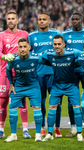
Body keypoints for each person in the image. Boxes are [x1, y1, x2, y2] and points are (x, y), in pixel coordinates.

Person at [40, 35, 83, 141]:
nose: (57, 46)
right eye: (55, 44)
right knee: (52, 109)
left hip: (71, 85)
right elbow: (37, 58)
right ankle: (50, 134)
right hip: (56, 86)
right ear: (52, 45)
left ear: (64, 44)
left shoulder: (73, 52)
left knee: (76, 108)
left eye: (59, 44)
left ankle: (79, 133)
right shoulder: (49, 54)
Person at [28, 12, 62, 138]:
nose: (41, 21)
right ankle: (42, 128)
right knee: (40, 102)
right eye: (39, 19)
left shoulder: (56, 34)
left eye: (44, 19)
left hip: (54, 73)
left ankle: (57, 128)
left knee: (56, 102)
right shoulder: (31, 36)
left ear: (49, 22)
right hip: (38, 74)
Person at [4, 38, 42, 142]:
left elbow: (48, 61)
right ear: (18, 48)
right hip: (18, 87)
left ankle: (38, 135)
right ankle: (13, 135)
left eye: (25, 47)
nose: (23, 49)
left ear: (29, 48)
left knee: (37, 109)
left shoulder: (36, 57)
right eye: (20, 47)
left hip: (33, 87)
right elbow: (8, 70)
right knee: (12, 109)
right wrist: (11, 84)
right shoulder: (13, 59)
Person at [0, 10, 30, 139]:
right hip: (4, 73)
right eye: (9, 19)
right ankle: (1, 129)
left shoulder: (24, 34)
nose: (11, 20)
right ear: (6, 21)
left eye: (13, 18)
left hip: (21, 74)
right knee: (2, 102)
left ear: (17, 21)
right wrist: (6, 56)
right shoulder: (1, 35)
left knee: (22, 101)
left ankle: (25, 130)